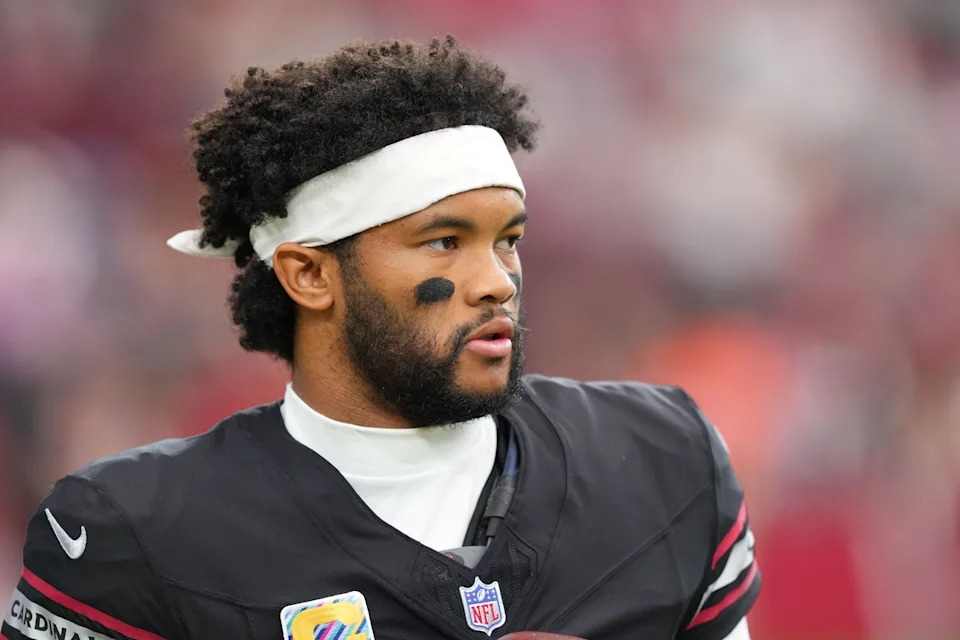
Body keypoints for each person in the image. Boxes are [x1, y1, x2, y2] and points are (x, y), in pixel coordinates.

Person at [2, 37, 759, 640]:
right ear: (309, 274)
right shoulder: (131, 533)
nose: (497, 281)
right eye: (444, 242)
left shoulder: (664, 455)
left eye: (508, 239)